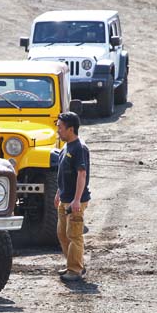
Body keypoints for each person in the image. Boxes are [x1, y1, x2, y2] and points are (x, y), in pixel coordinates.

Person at [55, 112, 91, 282]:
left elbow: (81, 174)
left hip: (75, 201)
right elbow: (62, 174)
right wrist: (58, 193)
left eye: (60, 128)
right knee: (62, 234)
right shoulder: (65, 147)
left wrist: (77, 200)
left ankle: (75, 270)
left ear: (71, 129)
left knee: (74, 235)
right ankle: (73, 264)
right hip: (64, 199)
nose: (58, 132)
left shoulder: (79, 148)